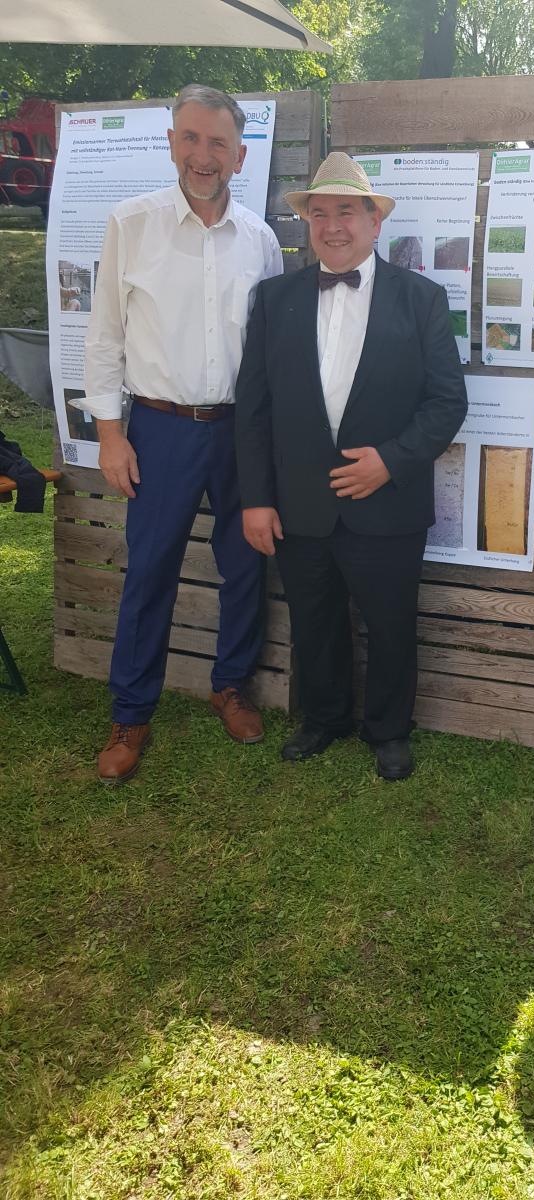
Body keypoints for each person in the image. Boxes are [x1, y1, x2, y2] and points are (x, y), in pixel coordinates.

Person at [235, 152, 467, 781]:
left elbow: (448, 402)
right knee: (314, 618)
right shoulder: (274, 298)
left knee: (391, 624)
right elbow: (252, 410)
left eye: (345, 211)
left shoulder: (421, 298)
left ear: (373, 221)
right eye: (319, 213)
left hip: (387, 502)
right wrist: (255, 498)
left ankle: (389, 729)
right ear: (307, 223)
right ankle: (324, 718)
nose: (331, 225)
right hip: (299, 501)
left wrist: (390, 463)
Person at [76, 84, 283, 785]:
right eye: (191, 139)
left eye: (218, 142)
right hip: (158, 430)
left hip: (240, 432)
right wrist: (111, 434)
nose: (204, 155)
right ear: (170, 142)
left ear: (239, 154)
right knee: (150, 571)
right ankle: (131, 713)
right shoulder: (130, 224)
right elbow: (102, 338)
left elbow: (271, 352)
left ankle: (230, 686)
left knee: (246, 562)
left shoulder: (259, 240)